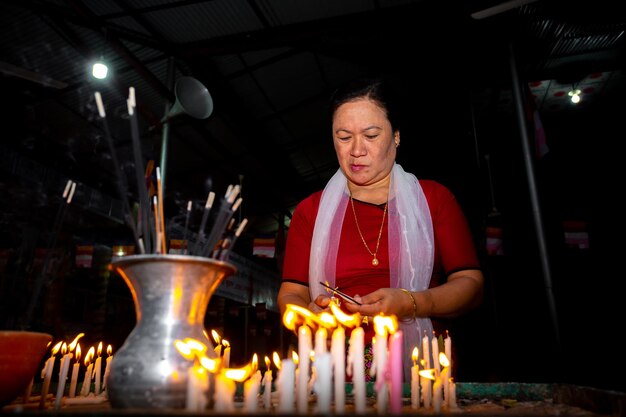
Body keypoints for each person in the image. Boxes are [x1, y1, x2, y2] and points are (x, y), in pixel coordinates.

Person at [277, 76, 484, 382]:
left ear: (396, 136)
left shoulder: (433, 199)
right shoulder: (312, 211)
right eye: (344, 137)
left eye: (371, 135)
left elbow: (471, 284)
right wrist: (307, 317)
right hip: (337, 367)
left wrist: (414, 303)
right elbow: (291, 293)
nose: (356, 150)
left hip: (420, 365)